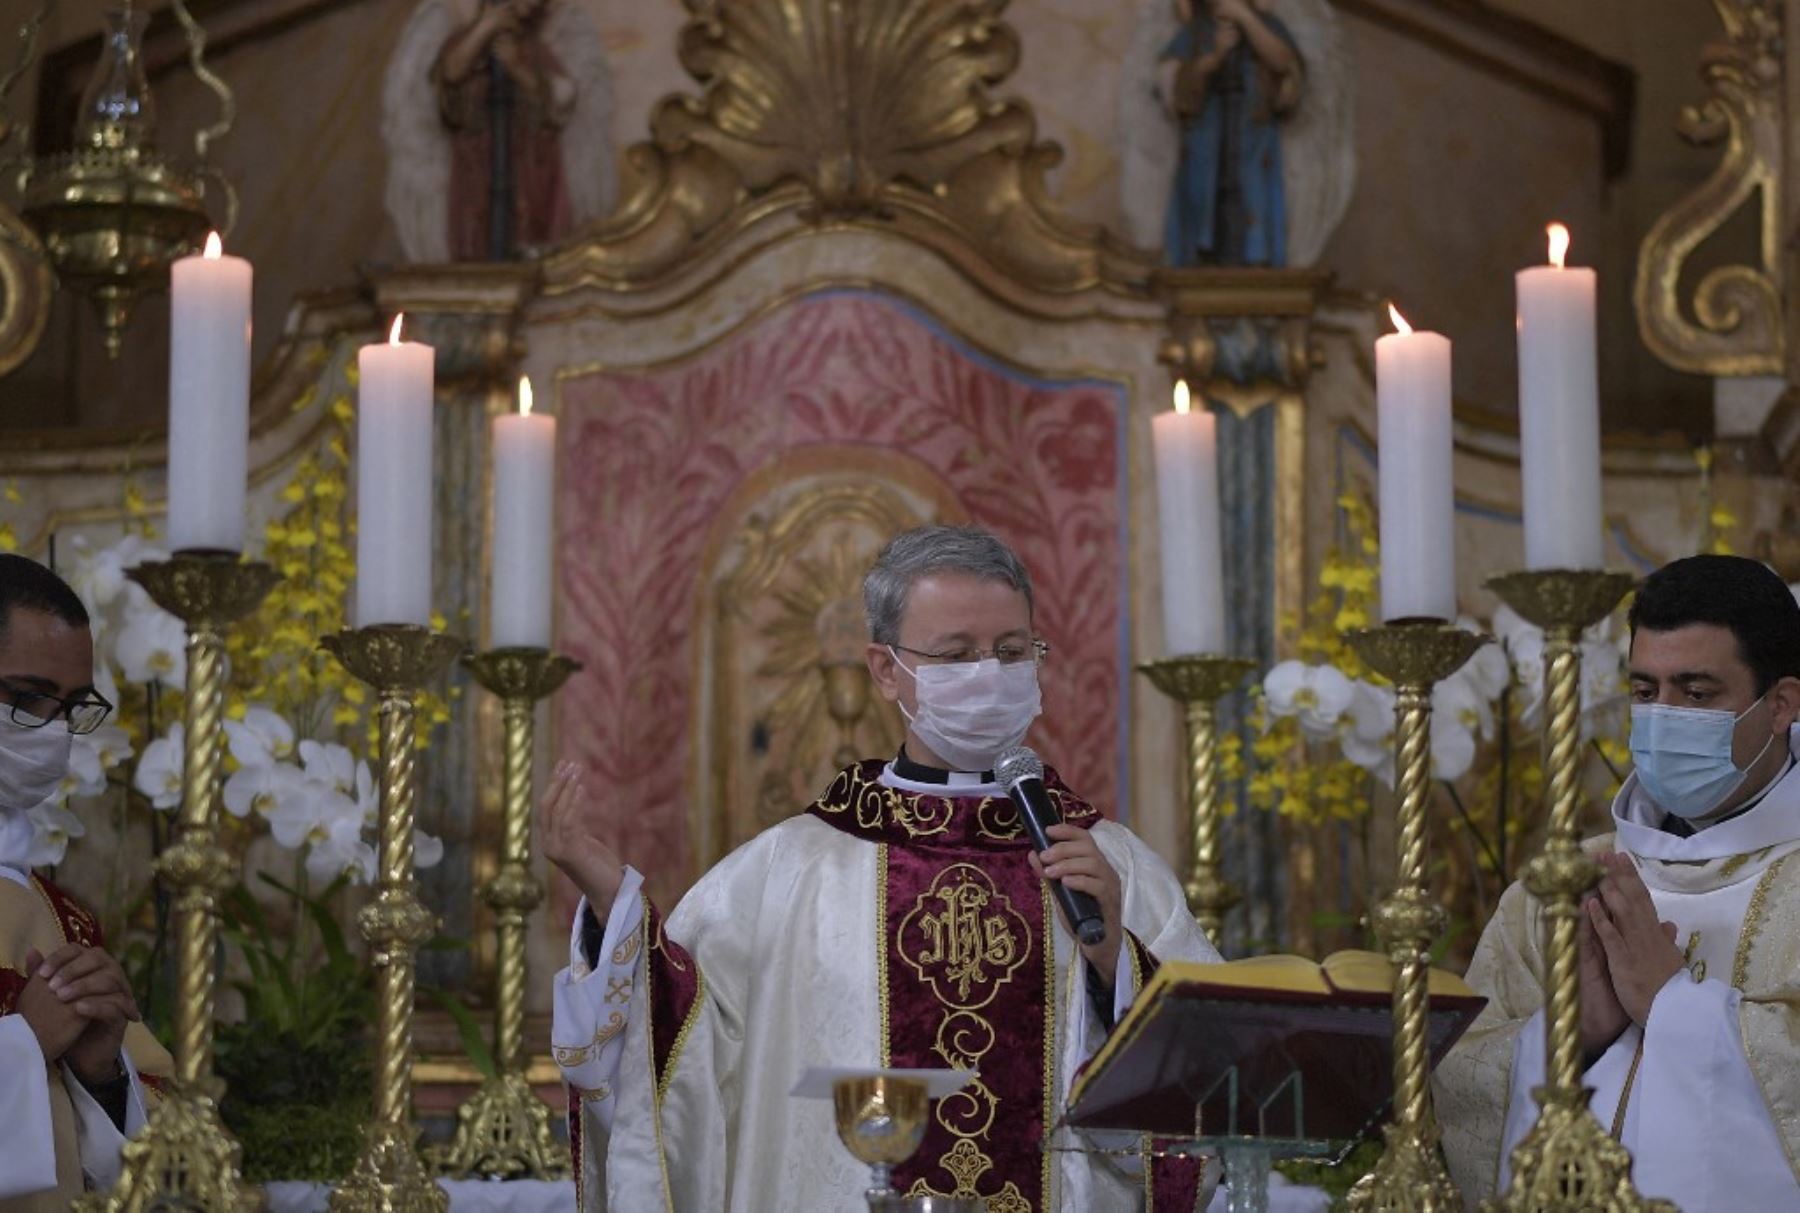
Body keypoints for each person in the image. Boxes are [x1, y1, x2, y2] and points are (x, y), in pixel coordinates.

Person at [546, 525, 1221, 1210]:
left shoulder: (1109, 864)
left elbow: (1217, 1083)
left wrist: (1115, 962)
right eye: (958, 654)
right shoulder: (791, 869)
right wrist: (613, 910)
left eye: (1012, 652)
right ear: (885, 667)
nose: (990, 674)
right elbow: (681, 1046)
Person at [1436, 554, 1800, 1211]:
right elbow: (1461, 1087)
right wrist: (1567, 1035)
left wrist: (1674, 1006)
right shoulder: (1559, 886)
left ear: (1780, 704)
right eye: (1644, 690)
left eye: (1696, 693)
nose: (1663, 716)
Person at [0, 554, 171, 1208]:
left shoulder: (63, 918)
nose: (53, 731)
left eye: (72, 706)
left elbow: (152, 1161)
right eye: (28, 696)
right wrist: (26, 1044)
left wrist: (101, 1074)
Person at [1159, 0, 1303, 267]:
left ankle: (1255, 258)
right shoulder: (1197, 31)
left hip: (1253, 138)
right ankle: (1201, 257)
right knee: (1206, 201)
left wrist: (1244, 17)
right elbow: (1174, 82)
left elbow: (1284, 63)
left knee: (1252, 198)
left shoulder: (1266, 26)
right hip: (1208, 137)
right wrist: (1213, 58)